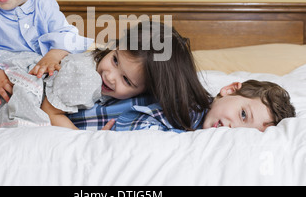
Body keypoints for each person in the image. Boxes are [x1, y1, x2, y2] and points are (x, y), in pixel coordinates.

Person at [0, 20, 212, 130]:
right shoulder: (86, 75)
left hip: (7, 87)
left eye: (127, 81)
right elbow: (50, 111)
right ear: (114, 45)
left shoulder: (99, 62)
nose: (111, 75)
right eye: (115, 60)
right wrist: (87, 141)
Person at [70, 80, 296, 133]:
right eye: (243, 114)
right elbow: (138, 120)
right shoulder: (190, 106)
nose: (231, 128)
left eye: (243, 133)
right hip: (75, 113)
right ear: (229, 89)